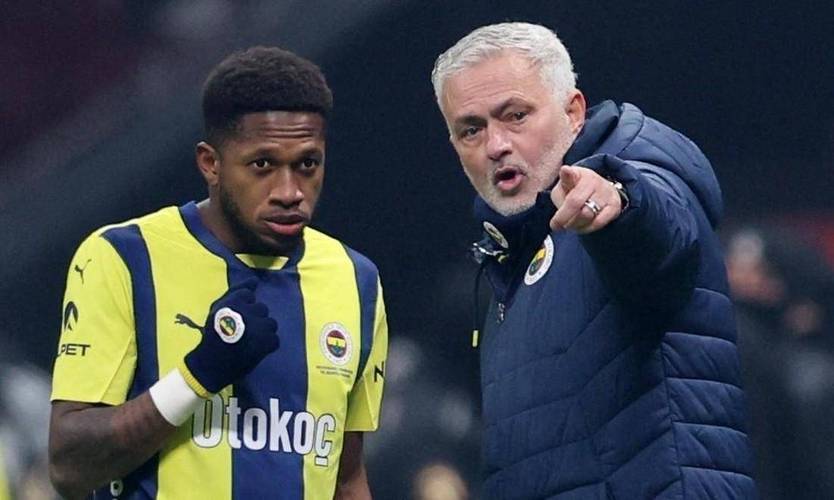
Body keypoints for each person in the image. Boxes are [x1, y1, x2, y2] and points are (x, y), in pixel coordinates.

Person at [431, 22, 755, 499]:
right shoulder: (511, 253)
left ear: (574, 112)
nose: (495, 145)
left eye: (515, 115)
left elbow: (660, 242)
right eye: (471, 130)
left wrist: (620, 208)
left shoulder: (636, 178)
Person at [48, 46, 388, 500]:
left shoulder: (356, 281)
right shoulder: (124, 257)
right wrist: (198, 376)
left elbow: (347, 478)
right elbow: (69, 466)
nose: (290, 191)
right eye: (263, 165)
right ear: (210, 163)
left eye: (307, 164)